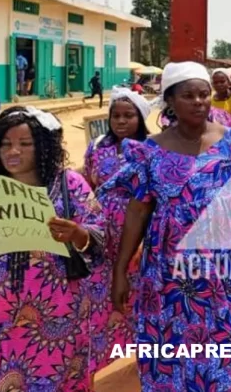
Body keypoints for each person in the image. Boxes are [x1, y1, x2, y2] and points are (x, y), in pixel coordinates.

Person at [103, 61, 231, 391]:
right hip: (165, 272)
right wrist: (120, 270)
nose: (199, 101)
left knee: (220, 344)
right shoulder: (150, 150)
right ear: (170, 101)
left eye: (203, 94)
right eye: (188, 95)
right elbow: (138, 211)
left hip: (220, 270)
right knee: (167, 345)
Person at [0, 106, 105, 391]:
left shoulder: (68, 184)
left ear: (42, 146)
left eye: (25, 144)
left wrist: (78, 233)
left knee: (58, 376)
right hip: (2, 313)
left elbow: (100, 232)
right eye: (5, 144)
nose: (13, 151)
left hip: (60, 311)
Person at [81, 87, 151, 374]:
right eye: (115, 116)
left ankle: (144, 352)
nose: (121, 121)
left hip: (137, 233)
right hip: (100, 233)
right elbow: (87, 181)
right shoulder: (97, 146)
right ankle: (102, 355)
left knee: (138, 291)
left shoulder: (151, 149)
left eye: (128, 116)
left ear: (140, 118)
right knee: (101, 289)